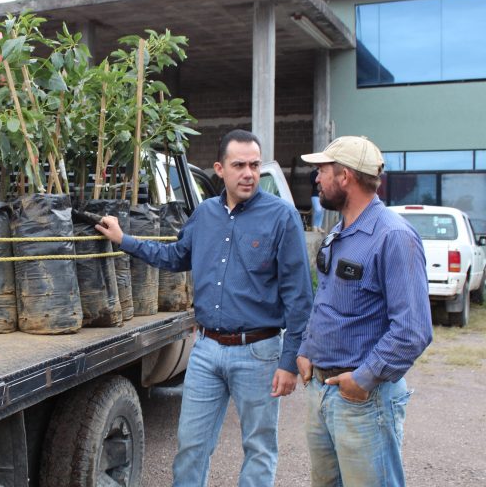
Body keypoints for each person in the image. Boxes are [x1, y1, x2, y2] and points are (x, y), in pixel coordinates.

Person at [96, 129, 312, 487]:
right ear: (220, 169)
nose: (248, 173)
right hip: (207, 350)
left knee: (259, 448)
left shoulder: (281, 218)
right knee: (191, 447)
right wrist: (125, 240)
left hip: (258, 352)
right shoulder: (204, 214)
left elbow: (300, 297)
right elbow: (175, 256)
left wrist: (289, 362)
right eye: (239, 165)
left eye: (255, 165)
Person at [297, 136, 433, 487]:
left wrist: (363, 379)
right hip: (323, 389)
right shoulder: (339, 232)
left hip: (362, 400)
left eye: (322, 171)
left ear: (345, 177)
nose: (316, 179)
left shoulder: (394, 236)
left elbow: (413, 329)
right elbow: (327, 299)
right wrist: (306, 349)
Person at [310, 167, 325, 232]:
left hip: (322, 194)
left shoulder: (324, 173)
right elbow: (313, 182)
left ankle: (319, 226)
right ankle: (315, 226)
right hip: (315, 195)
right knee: (318, 210)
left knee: (322, 210)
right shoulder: (314, 173)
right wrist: (319, 177)